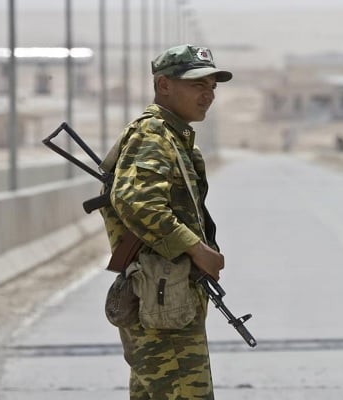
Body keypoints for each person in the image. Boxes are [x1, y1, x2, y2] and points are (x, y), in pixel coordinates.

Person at [100, 44, 231, 399]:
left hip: (167, 297)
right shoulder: (152, 135)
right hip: (161, 297)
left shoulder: (173, 138)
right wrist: (196, 249)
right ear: (164, 85)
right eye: (196, 84)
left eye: (211, 86)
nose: (207, 95)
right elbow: (137, 201)